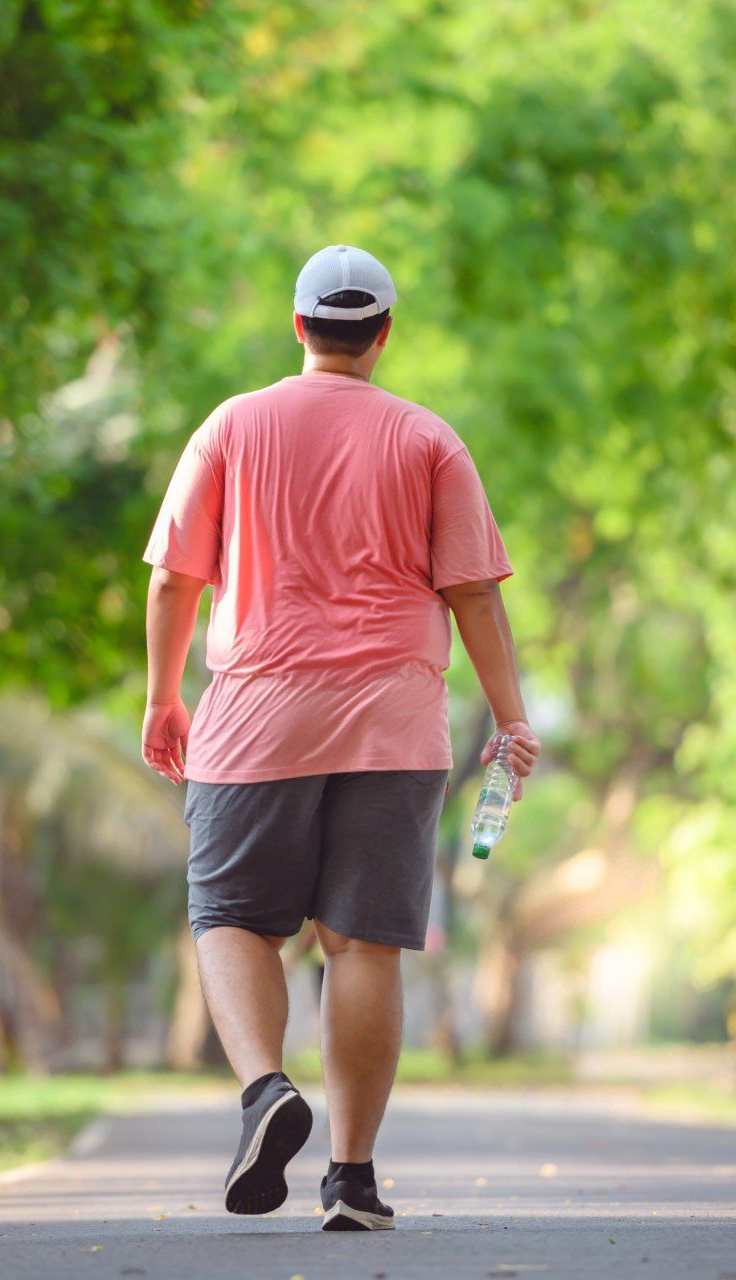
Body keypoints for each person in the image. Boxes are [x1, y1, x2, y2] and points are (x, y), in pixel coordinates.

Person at [140, 244, 539, 1231]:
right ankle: (352, 1179)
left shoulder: (232, 424)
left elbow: (171, 580)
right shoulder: (428, 438)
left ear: (299, 324)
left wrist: (162, 696)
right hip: (395, 720)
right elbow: (475, 594)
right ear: (384, 334)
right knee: (364, 944)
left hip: (257, 711)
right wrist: (513, 716)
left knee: (232, 914)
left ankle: (266, 1089)